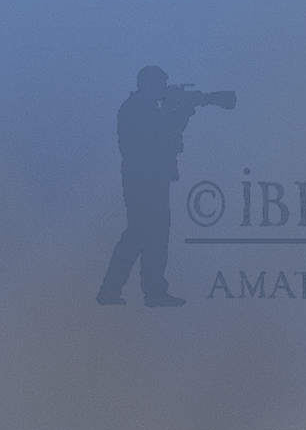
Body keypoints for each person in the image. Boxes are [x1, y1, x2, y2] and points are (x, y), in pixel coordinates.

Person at [99, 65, 234, 306]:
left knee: (154, 235)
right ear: (150, 85)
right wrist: (180, 111)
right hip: (143, 181)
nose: (164, 88)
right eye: (161, 84)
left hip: (151, 179)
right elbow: (162, 134)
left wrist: (180, 109)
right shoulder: (136, 108)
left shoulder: (142, 106)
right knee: (140, 234)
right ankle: (118, 290)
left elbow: (164, 135)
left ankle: (149, 292)